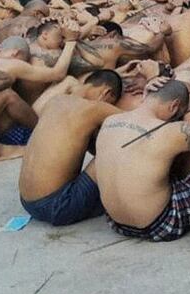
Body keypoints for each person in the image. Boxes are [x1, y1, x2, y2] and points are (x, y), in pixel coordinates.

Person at [96, 80, 190, 242]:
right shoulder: (173, 131)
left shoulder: (110, 121)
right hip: (161, 224)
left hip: (116, 222)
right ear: (174, 107)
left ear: (146, 95)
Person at [18, 70, 123, 225]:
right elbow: (137, 122)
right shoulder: (94, 108)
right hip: (59, 206)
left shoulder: (56, 100)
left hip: (27, 202)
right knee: (120, 143)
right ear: (106, 93)